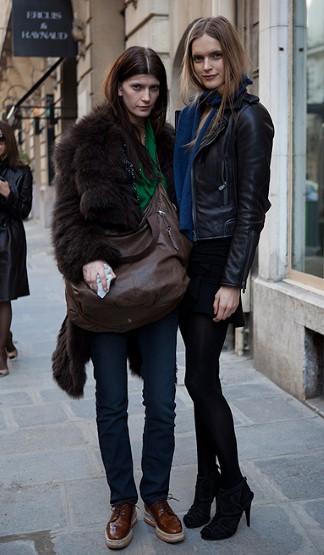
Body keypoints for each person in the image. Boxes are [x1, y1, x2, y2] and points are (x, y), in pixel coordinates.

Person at [51, 46, 185, 550]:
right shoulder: (88, 141)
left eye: (153, 88)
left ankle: (156, 497)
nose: (146, 97)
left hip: (160, 291)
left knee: (163, 403)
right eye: (137, 87)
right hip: (106, 293)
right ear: (118, 86)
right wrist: (86, 256)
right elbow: (66, 219)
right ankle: (122, 502)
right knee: (111, 404)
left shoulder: (171, 143)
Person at [174, 16, 274, 541]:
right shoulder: (193, 116)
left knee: (199, 380)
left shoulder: (249, 119)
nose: (207, 66)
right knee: (200, 379)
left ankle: (233, 487)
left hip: (220, 261)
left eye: (215, 56)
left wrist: (233, 281)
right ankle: (206, 485)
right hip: (193, 256)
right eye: (198, 58)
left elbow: (250, 210)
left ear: (230, 56)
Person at [0, 122, 33, 377]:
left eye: (1, 140)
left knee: (3, 297)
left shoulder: (21, 172)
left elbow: (23, 212)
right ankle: (7, 340)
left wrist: (7, 194)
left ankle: (0, 353)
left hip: (8, 239)